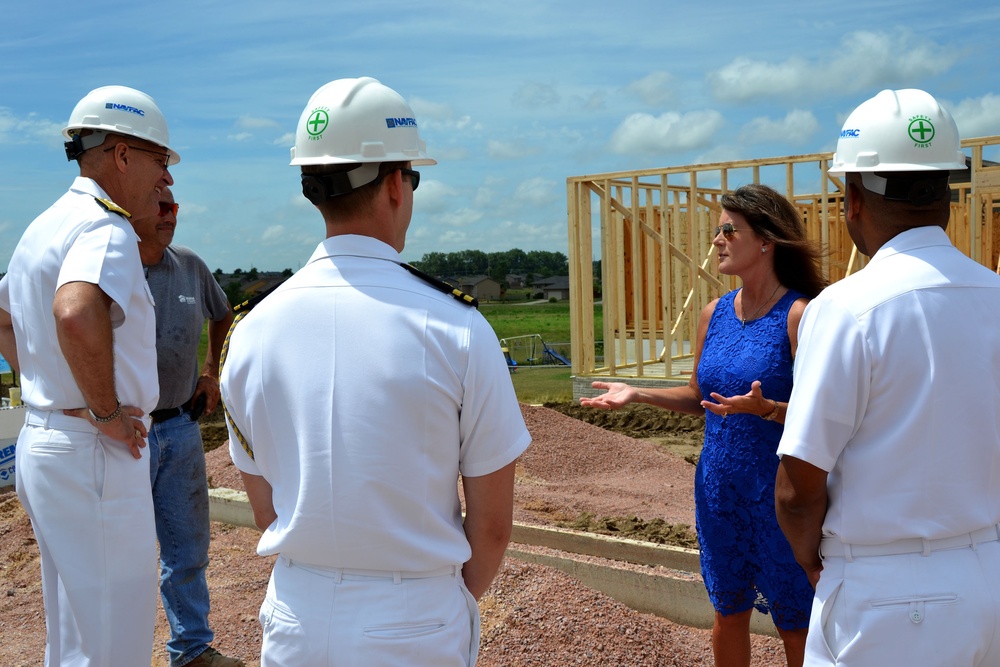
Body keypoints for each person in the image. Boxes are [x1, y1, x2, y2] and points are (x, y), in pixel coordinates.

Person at [219, 77, 531, 666]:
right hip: (414, 618)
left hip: (295, 617)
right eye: (412, 178)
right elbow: (490, 529)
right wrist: (433, 601)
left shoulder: (250, 331)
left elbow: (266, 509)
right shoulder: (456, 328)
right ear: (395, 183)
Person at [775, 89, 1000, 666]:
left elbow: (798, 489)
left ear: (853, 198)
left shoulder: (846, 309)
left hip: (887, 598)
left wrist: (809, 557)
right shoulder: (995, 298)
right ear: (947, 192)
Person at [581, 183, 826, 667]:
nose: (717, 240)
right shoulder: (712, 314)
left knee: (795, 622)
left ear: (766, 241)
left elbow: (824, 415)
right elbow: (700, 398)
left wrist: (770, 410)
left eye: (729, 230)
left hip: (778, 492)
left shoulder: (801, 315)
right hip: (718, 488)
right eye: (718, 230)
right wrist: (640, 393)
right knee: (727, 611)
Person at [0, 86, 177, 666]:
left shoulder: (44, 225)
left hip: (47, 441)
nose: (164, 179)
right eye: (159, 161)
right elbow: (75, 312)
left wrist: (50, 389)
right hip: (92, 454)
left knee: (74, 634)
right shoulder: (107, 228)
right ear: (122, 154)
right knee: (113, 644)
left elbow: (5, 316)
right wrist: (103, 412)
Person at [134, 187, 240, 667]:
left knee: (187, 547)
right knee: (122, 557)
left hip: (179, 426)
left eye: (172, 207)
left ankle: (191, 649)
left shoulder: (190, 266)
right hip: (123, 436)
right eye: (157, 207)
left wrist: (211, 371)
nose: (167, 215)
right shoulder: (111, 268)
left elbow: (223, 314)